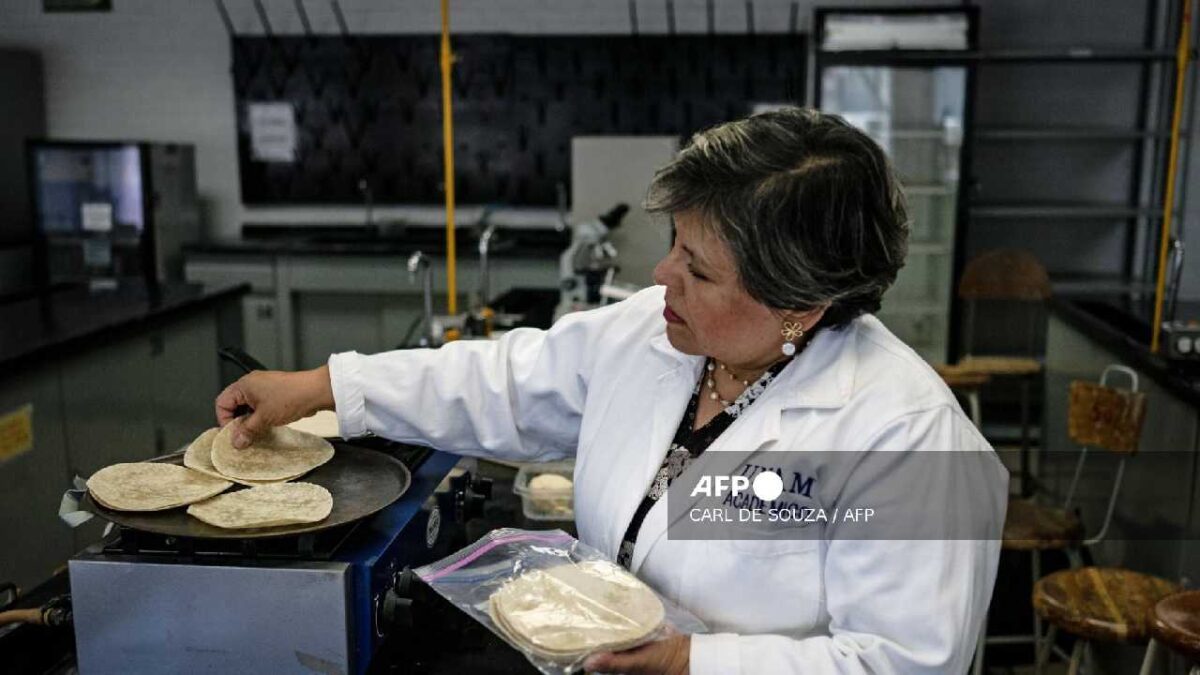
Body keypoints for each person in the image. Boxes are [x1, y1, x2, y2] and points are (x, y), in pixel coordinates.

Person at [216, 107, 1007, 674]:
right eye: (674, 246)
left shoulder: (906, 439)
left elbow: (903, 661)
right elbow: (506, 382)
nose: (663, 275)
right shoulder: (659, 332)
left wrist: (692, 662)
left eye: (698, 268)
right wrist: (324, 386)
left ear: (800, 302)